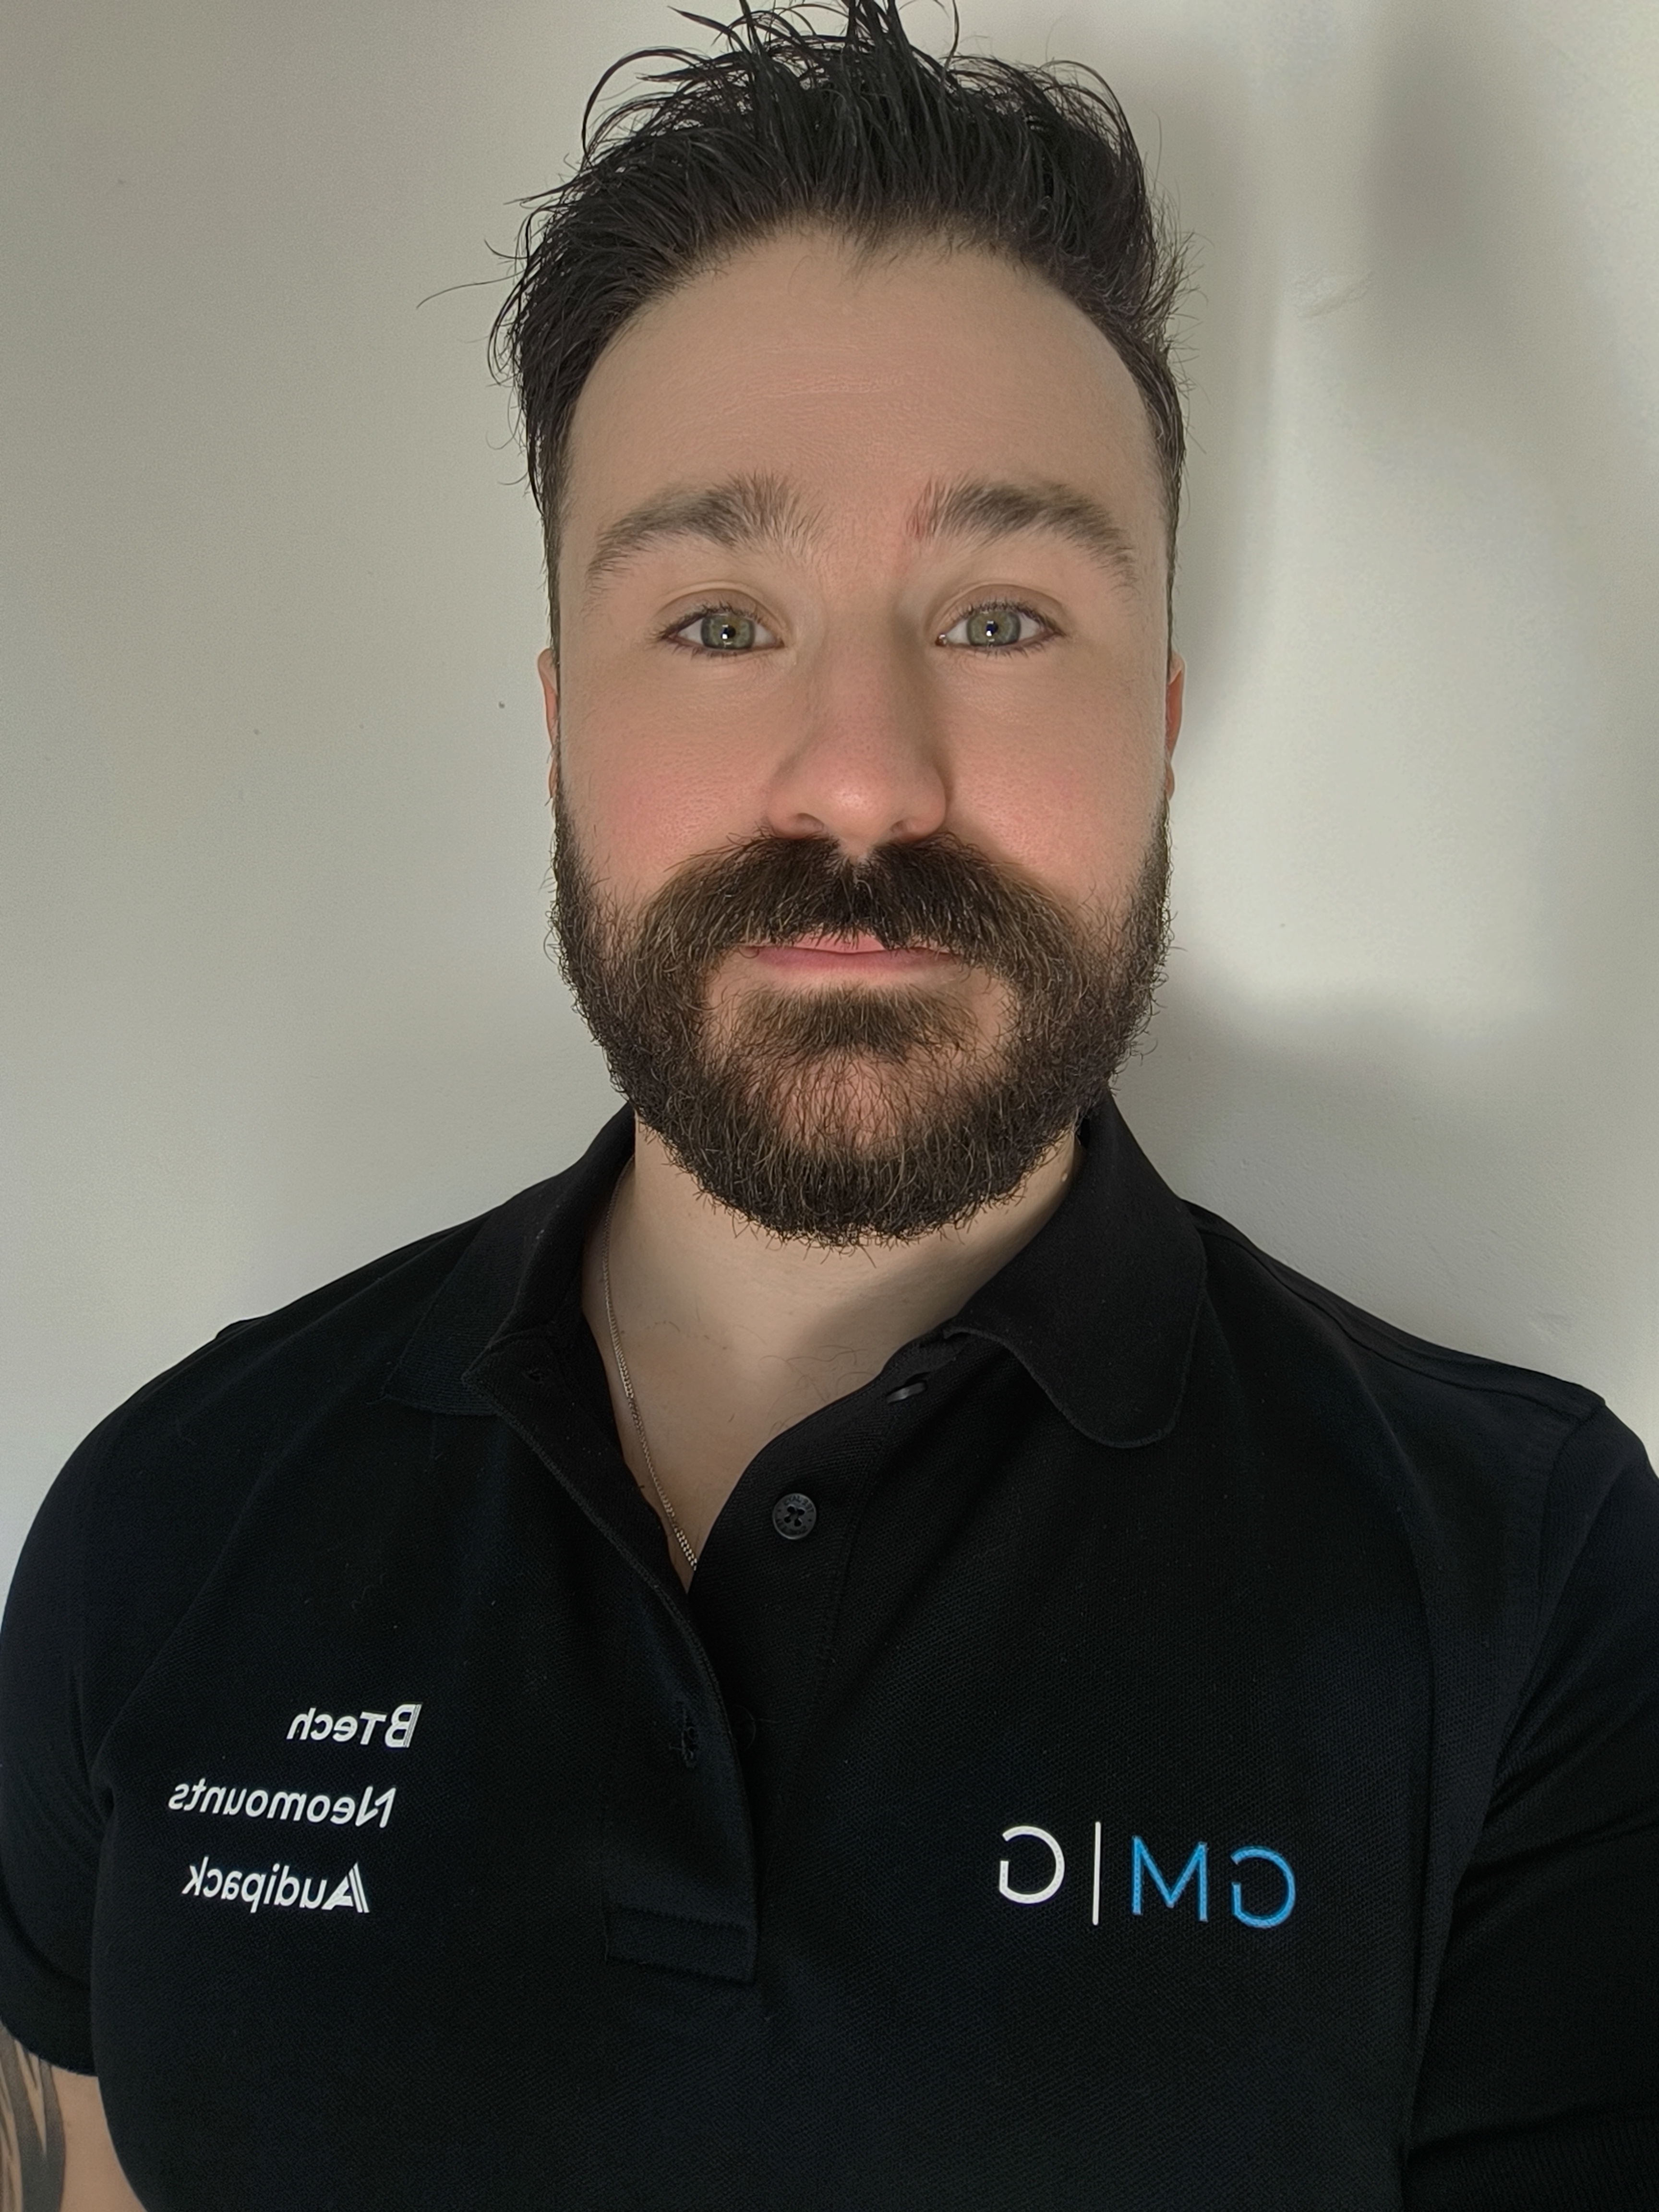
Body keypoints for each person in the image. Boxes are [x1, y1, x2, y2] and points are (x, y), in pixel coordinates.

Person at [2, 4, 1656, 2206]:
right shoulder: (161, 1525)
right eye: (715, 621)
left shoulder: (1529, 1592)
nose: (863, 776)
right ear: (559, 721)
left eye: (1003, 615)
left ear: (1164, 722)